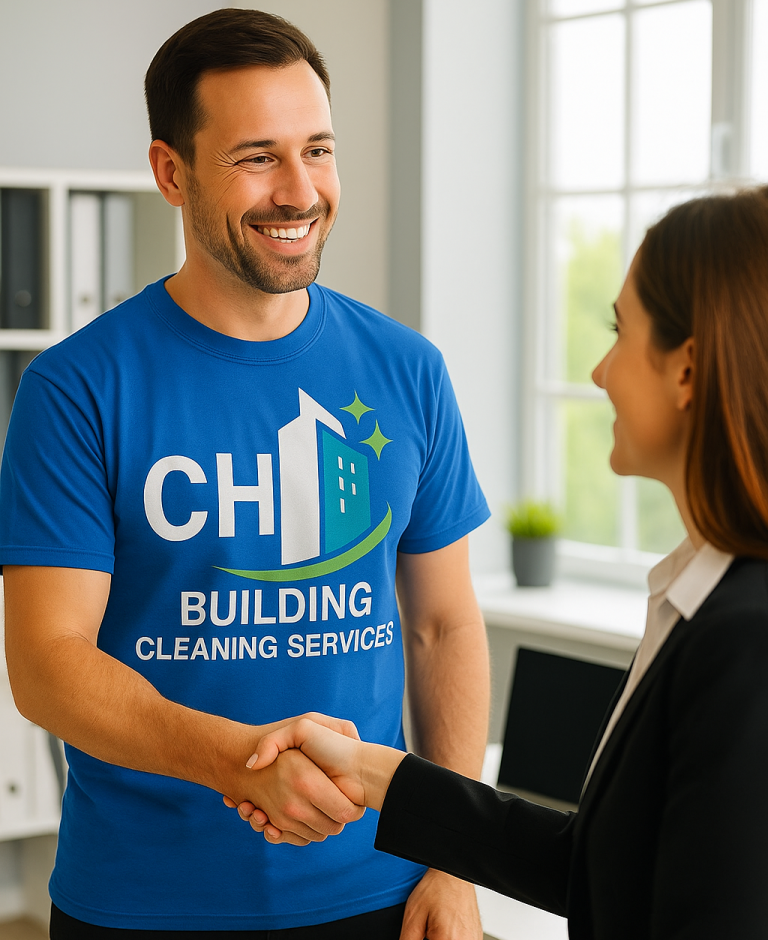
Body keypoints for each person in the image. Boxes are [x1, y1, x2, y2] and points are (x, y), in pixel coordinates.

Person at [0, 9, 491, 938]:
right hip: (142, 905)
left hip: (379, 892)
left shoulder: (408, 370)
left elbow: (441, 624)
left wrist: (454, 857)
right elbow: (48, 664)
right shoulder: (76, 388)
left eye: (318, 150)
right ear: (171, 172)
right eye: (257, 157)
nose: (299, 191)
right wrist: (237, 762)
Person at [240, 187, 768, 939]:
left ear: (686, 370)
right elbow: (601, 868)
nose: (599, 372)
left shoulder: (745, 640)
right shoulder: (697, 597)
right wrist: (374, 773)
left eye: (621, 333)